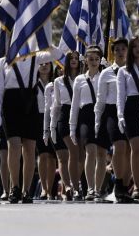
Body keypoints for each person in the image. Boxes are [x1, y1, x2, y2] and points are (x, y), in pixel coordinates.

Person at [0, 45, 49, 203]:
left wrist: (46, 42)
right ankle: (14, 187)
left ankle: (26, 190)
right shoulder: (3, 61)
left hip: (30, 103)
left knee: (30, 149)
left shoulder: (34, 57)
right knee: (14, 146)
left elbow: (57, 54)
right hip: (11, 104)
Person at [97, 38, 132, 202]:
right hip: (112, 112)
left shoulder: (132, 70)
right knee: (119, 146)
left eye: (123, 49)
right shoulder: (106, 73)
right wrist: (98, 121)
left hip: (130, 110)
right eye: (116, 49)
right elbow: (101, 99)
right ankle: (117, 184)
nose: (120, 52)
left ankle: (125, 186)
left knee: (129, 150)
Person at [69, 45, 105, 201]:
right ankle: (90, 188)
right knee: (90, 151)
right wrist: (72, 127)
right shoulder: (79, 79)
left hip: (102, 113)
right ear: (86, 61)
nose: (94, 62)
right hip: (86, 115)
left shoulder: (106, 75)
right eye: (91, 59)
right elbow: (74, 104)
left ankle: (98, 188)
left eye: (97, 59)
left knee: (102, 153)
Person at [117, 36, 139, 200]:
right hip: (131, 108)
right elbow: (121, 95)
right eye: (134, 46)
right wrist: (120, 115)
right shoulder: (124, 70)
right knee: (136, 148)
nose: (138, 48)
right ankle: (136, 187)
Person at [51, 50, 81, 200]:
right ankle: (72, 187)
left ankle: (73, 185)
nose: (74, 60)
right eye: (71, 58)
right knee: (71, 153)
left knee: (78, 154)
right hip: (64, 117)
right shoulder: (58, 81)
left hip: (80, 116)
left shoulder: (83, 78)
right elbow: (56, 105)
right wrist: (51, 126)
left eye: (76, 58)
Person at [36, 62, 58, 199]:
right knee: (42, 155)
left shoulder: (55, 83)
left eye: (47, 64)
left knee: (51, 156)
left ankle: (50, 189)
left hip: (52, 118)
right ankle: (43, 188)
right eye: (41, 64)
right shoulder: (33, 82)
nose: (44, 66)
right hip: (38, 119)